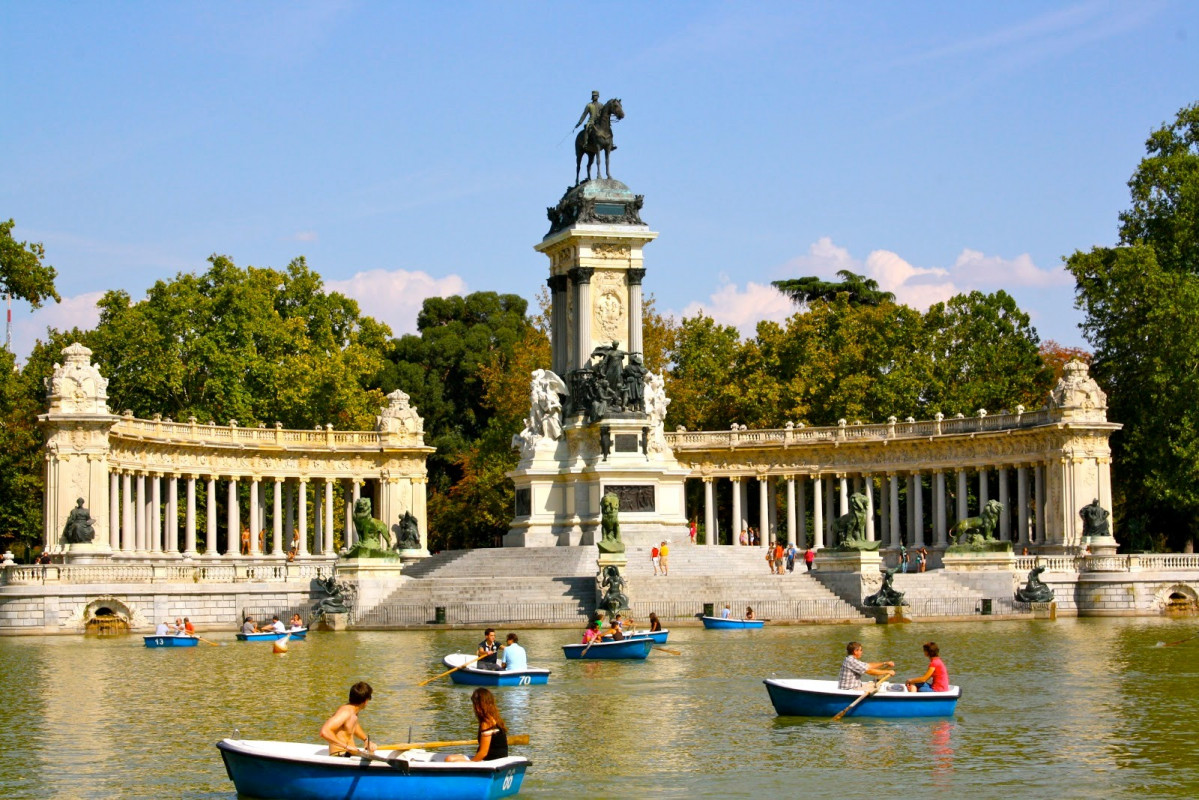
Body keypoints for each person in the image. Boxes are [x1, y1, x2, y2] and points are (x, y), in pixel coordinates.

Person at [445, 688, 509, 762]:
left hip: (490, 760)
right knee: (451, 758)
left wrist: (471, 763)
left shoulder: (487, 723)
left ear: (479, 706)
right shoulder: (495, 719)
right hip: (498, 758)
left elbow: (483, 753)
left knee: (449, 759)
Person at [319, 682, 375, 757]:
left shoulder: (353, 712)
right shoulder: (345, 712)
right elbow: (324, 732)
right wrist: (346, 747)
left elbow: (353, 726)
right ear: (365, 701)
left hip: (348, 754)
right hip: (340, 755)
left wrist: (366, 740)